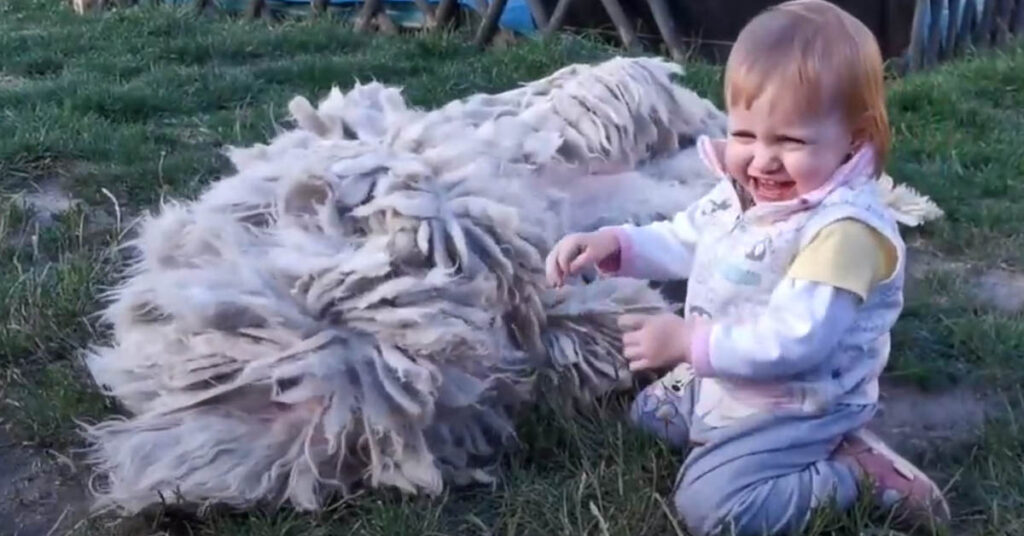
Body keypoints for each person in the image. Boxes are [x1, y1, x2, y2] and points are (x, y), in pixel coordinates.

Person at [544, 1, 951, 534]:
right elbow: (687, 236)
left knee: (713, 510)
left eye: (791, 141)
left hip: (798, 397)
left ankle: (855, 472)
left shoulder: (844, 233)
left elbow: (797, 339)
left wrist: (690, 344)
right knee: (649, 420)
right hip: (734, 369)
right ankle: (713, 403)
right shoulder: (747, 192)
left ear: (854, 138)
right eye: (745, 135)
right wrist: (614, 244)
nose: (762, 160)